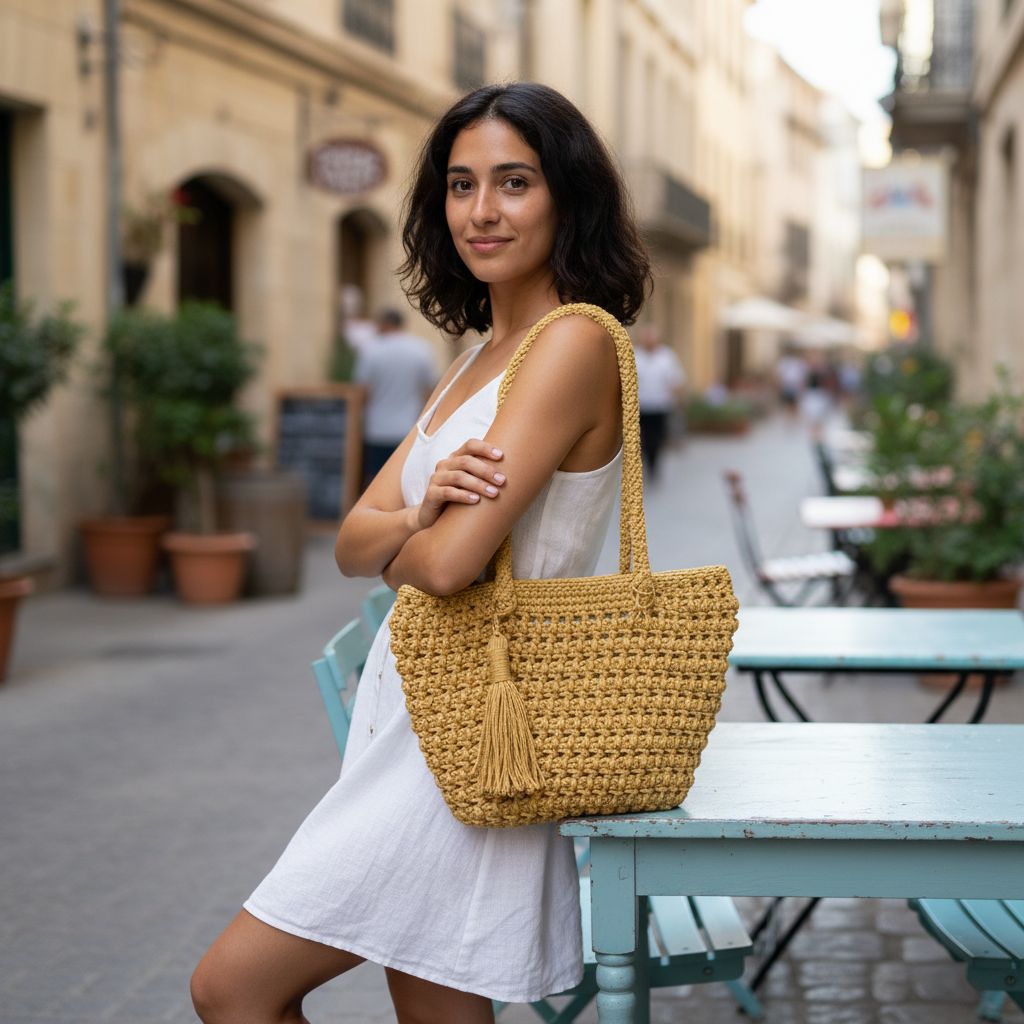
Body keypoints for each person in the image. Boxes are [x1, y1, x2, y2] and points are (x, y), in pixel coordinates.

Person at [190, 81, 651, 1024]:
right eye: (461, 184)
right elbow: (351, 541)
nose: (482, 211)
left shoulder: (571, 344)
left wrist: (411, 538)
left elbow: (447, 570)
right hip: (422, 715)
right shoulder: (478, 357)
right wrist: (416, 522)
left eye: (514, 182)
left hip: (482, 724)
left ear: (567, 197)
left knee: (231, 989)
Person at [356, 308, 438, 487]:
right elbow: (429, 391)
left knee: (375, 480)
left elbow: (363, 392)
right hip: (410, 429)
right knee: (405, 481)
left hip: (377, 429)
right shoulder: (421, 349)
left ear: (384, 324)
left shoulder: (371, 350)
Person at [633, 324, 686, 481]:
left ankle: (653, 466)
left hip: (660, 405)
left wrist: (679, 399)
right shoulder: (635, 355)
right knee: (640, 439)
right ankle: (641, 466)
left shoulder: (667, 356)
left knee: (656, 438)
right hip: (640, 406)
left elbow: (676, 380)